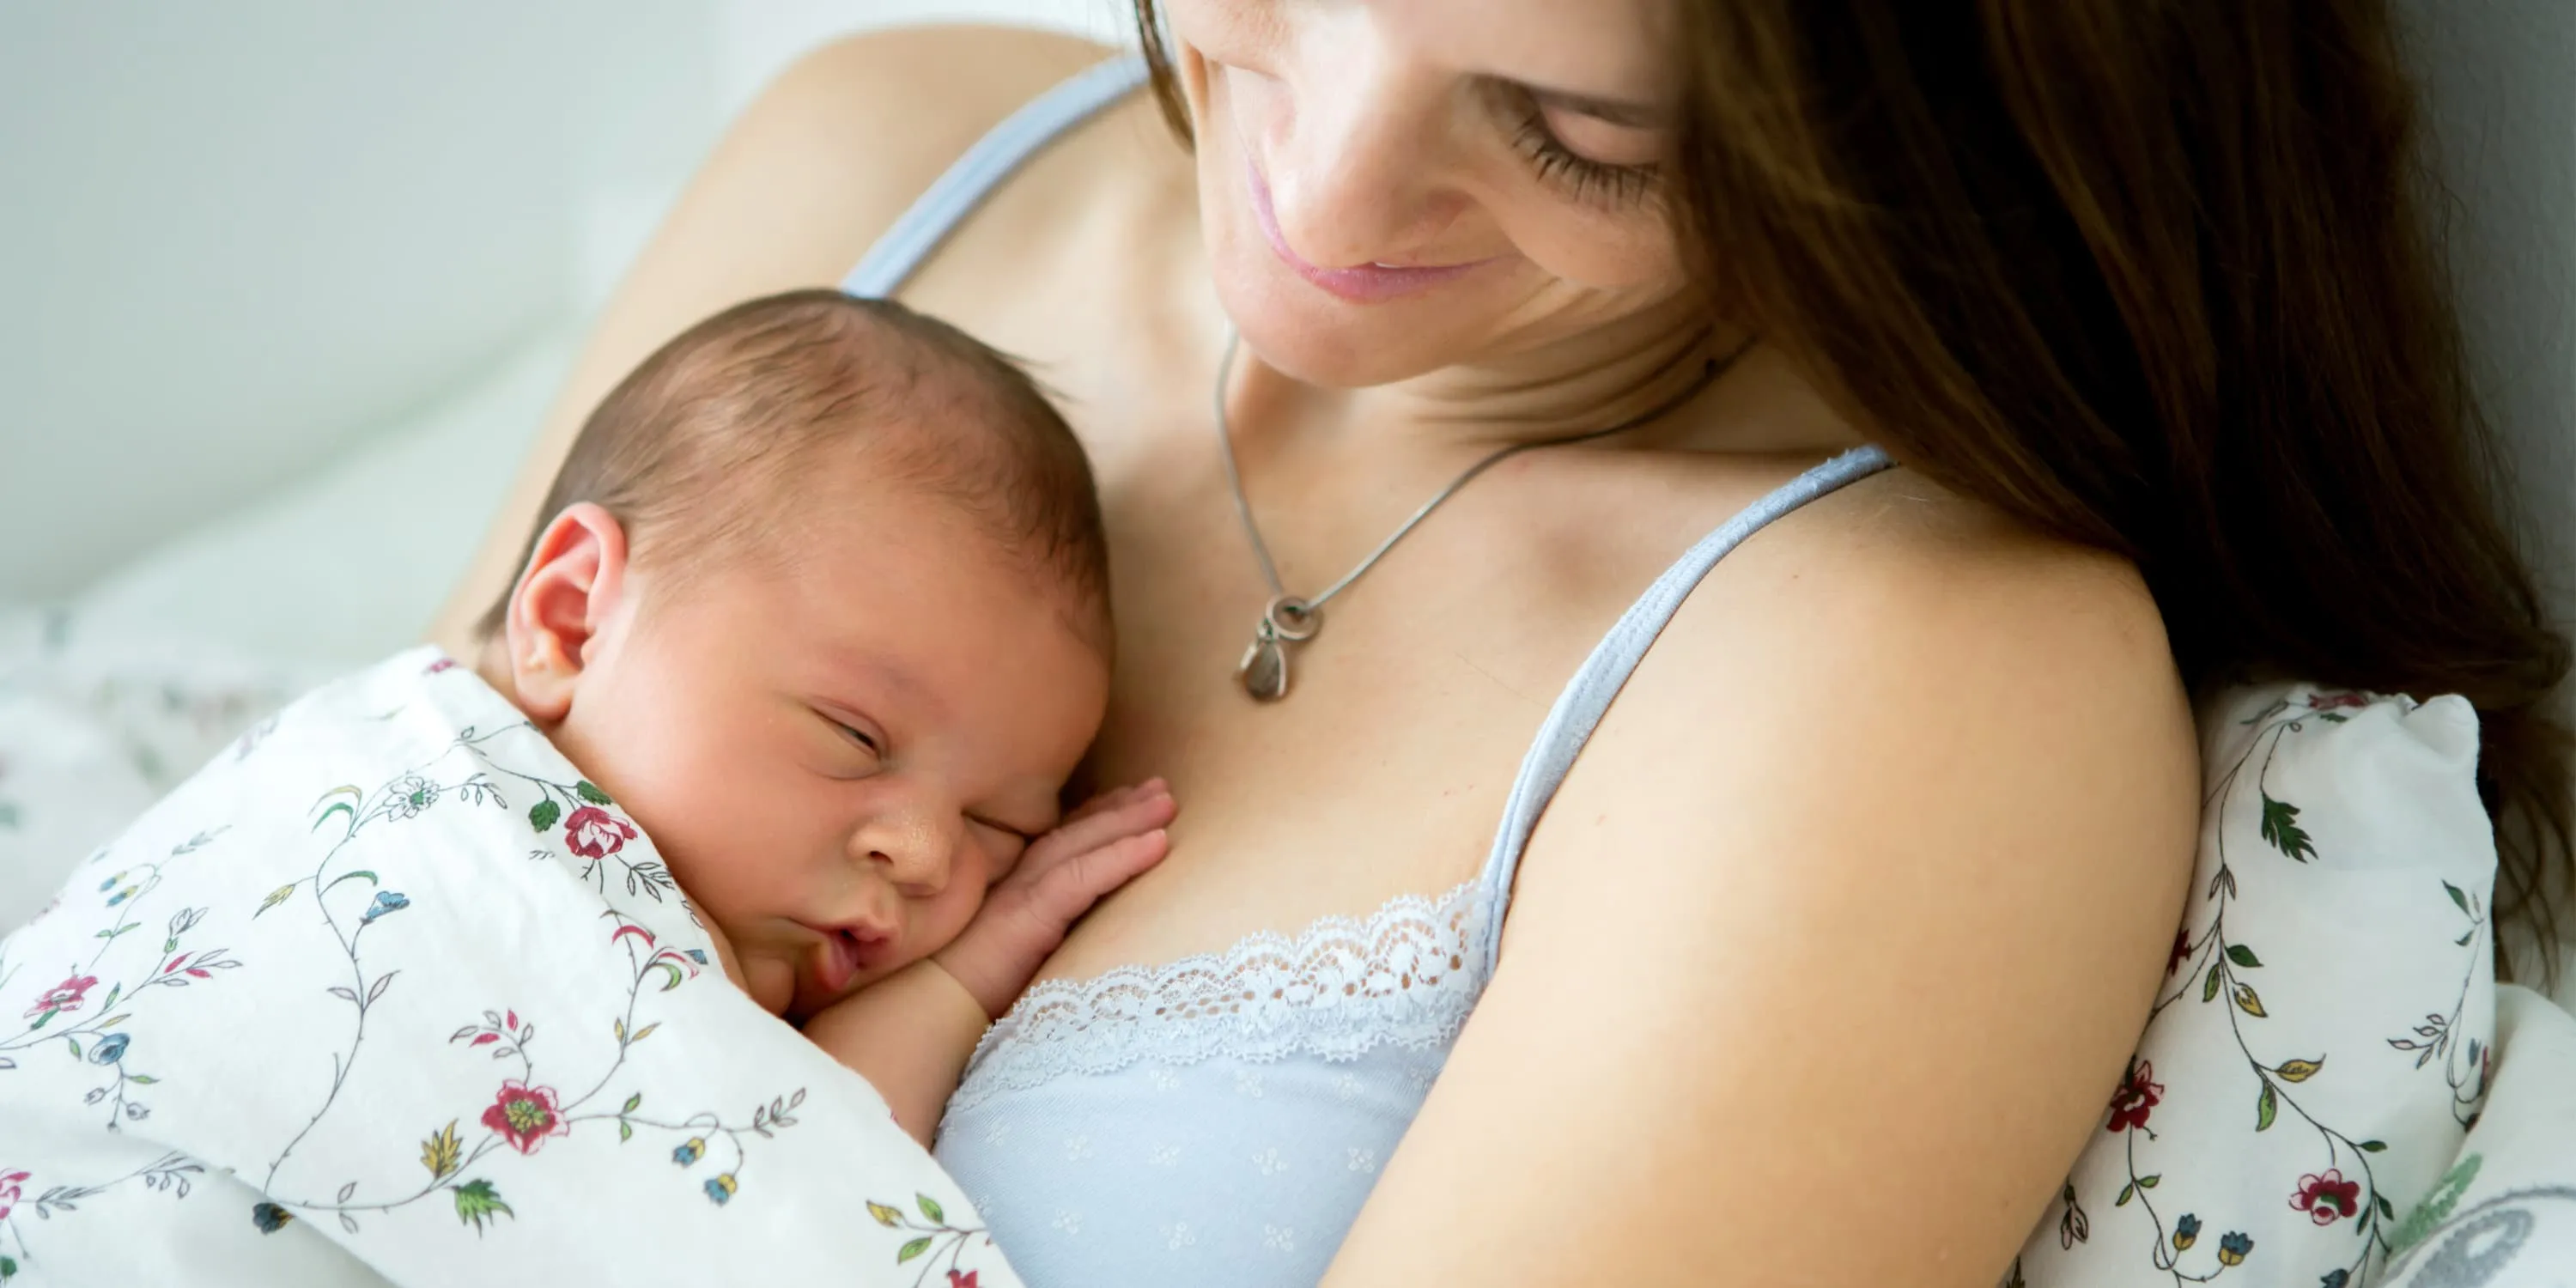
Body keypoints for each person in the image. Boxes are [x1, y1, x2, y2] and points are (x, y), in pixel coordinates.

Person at [434, 2, 2573, 1285]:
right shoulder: (877, 162)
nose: (1324, 200)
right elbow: (357, 893)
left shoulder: (1904, 677)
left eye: (1581, 133)